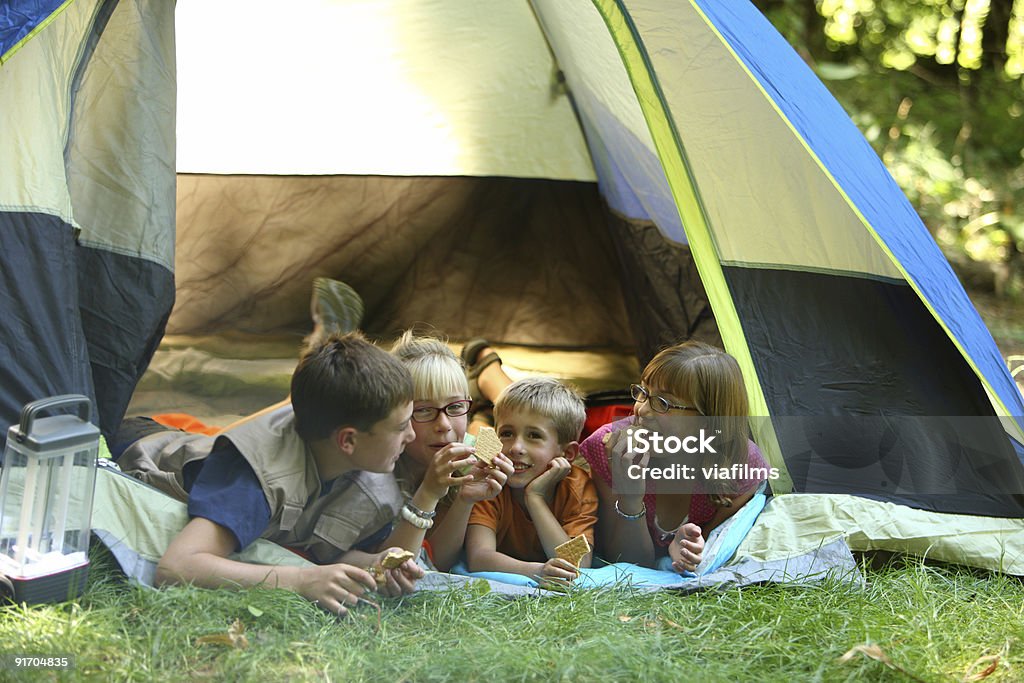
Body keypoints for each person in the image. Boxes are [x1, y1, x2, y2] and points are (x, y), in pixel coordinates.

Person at [117, 332, 424, 615]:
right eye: (400, 427)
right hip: (137, 442)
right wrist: (301, 581)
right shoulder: (255, 476)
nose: (411, 436)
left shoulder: (366, 473)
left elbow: (328, 552)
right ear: (348, 440)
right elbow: (177, 567)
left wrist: (373, 565)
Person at [579, 341, 768, 573]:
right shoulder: (608, 447)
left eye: (663, 403)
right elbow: (622, 562)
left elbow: (704, 552)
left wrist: (693, 551)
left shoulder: (740, 463)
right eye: (643, 392)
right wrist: (630, 497)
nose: (641, 410)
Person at [382, 332, 513, 571]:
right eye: (423, 410)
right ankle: (485, 381)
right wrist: (429, 491)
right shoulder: (376, 468)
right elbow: (398, 565)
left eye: (455, 406)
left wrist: (465, 499)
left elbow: (438, 561)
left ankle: (486, 375)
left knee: (520, 411)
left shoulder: (468, 464)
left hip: (471, 435)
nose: (443, 424)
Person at [465, 377, 597, 581]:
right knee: (475, 440)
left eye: (534, 436)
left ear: (568, 452)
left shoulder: (578, 487)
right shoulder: (490, 481)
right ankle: (480, 419)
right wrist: (536, 571)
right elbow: (478, 557)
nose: (516, 448)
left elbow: (578, 563)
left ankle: (481, 416)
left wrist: (535, 497)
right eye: (506, 433)